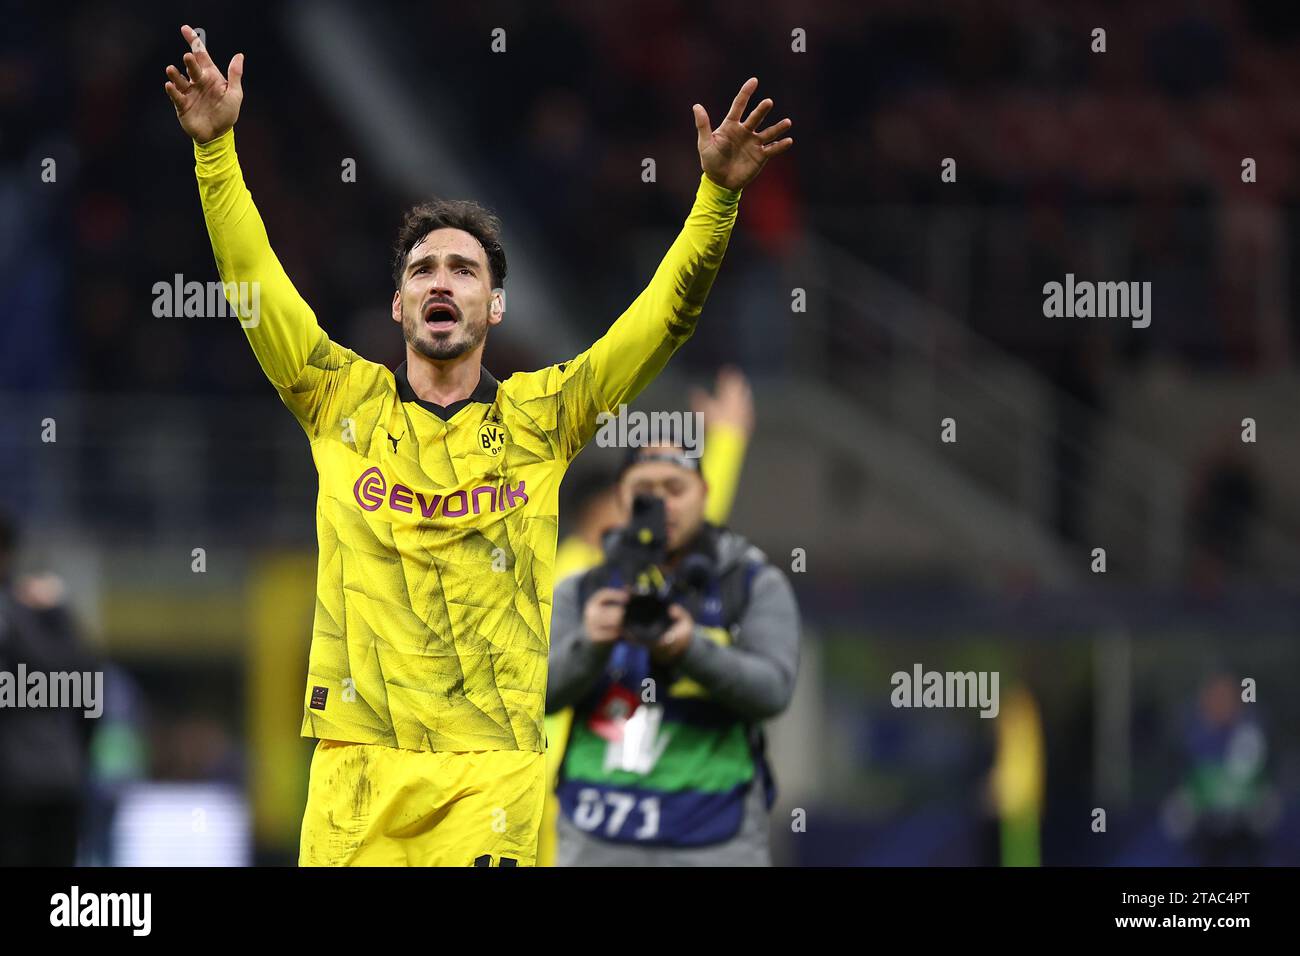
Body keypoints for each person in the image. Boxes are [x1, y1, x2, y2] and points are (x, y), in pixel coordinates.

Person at [163, 24, 793, 866]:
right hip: (357, 769)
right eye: (422, 270)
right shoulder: (336, 398)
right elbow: (254, 285)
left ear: (495, 308)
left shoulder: (545, 418)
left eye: (465, 271)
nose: (441, 283)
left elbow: (661, 322)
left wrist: (716, 198)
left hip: (491, 774)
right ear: (398, 305)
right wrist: (216, 155)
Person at [539, 367, 755, 865]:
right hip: (551, 771)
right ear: (597, 519)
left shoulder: (619, 570)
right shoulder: (571, 571)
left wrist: (726, 441)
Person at [546, 441, 800, 865]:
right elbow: (535, 698)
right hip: (598, 833)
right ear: (620, 498)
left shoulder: (753, 585)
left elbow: (773, 692)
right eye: (644, 488)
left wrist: (689, 650)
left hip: (714, 836)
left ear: (704, 492)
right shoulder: (580, 590)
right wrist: (589, 647)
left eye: (674, 488)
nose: (660, 502)